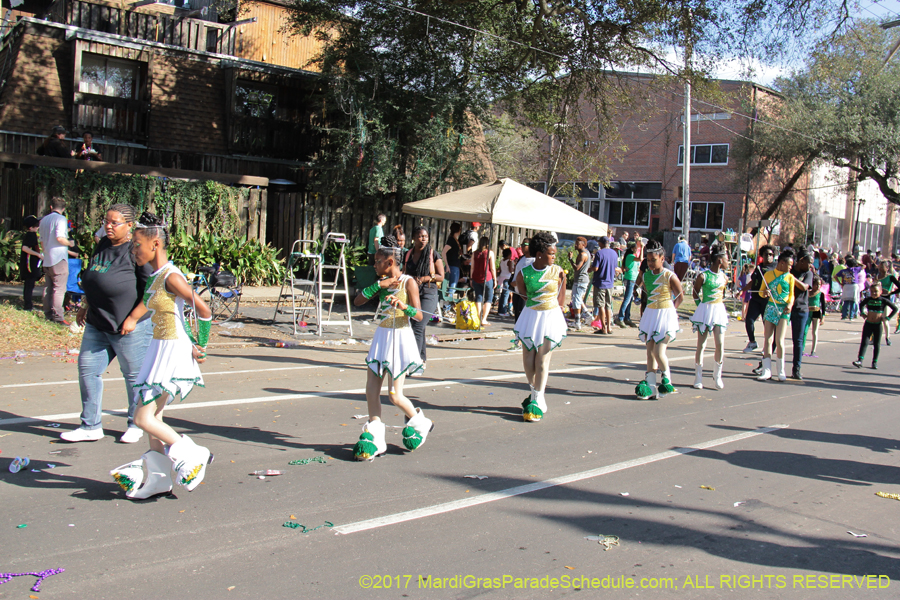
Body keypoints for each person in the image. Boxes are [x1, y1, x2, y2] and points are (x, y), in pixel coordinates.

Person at [109, 212, 213, 500]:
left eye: (137, 245)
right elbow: (168, 311)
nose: (133, 251)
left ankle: (192, 453)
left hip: (171, 350)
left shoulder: (172, 276)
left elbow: (203, 310)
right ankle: (158, 480)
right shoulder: (155, 276)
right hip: (159, 347)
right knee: (154, 416)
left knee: (142, 417)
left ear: (155, 244)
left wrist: (201, 344)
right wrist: (132, 318)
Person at [60, 204, 155, 444]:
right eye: (106, 221)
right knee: (88, 371)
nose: (108, 226)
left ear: (130, 225)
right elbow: (93, 278)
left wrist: (133, 318)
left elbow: (153, 291)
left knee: (133, 377)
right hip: (97, 323)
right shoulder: (102, 244)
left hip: (128, 327)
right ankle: (90, 426)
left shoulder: (137, 250)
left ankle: (136, 423)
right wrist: (85, 305)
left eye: (115, 223)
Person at [352, 236, 432, 460]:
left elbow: (419, 315)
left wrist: (404, 307)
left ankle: (420, 422)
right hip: (382, 336)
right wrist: (379, 285)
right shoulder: (382, 282)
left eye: (377, 261)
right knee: (371, 390)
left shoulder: (408, 282)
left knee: (395, 395)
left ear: (389, 262)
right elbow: (357, 301)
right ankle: (376, 436)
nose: (374, 265)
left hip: (399, 337)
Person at [514, 231, 567, 422]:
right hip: (531, 316)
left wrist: (557, 309)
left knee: (542, 359)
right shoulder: (523, 273)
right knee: (529, 357)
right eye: (551, 254)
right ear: (539, 254)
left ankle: (538, 396)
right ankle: (534, 390)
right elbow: (522, 293)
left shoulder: (558, 271)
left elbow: (561, 295)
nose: (554, 257)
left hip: (550, 316)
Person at [635, 240, 684, 400]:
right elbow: (643, 290)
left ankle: (666, 380)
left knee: (658, 351)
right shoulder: (646, 275)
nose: (650, 263)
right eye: (648, 260)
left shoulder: (669, 276)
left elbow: (680, 296)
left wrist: (672, 310)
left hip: (666, 315)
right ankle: (650, 387)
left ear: (662, 259)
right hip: (651, 314)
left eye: (653, 260)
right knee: (650, 353)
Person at [403, 226, 444, 366]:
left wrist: (425, 278)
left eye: (425, 236)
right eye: (420, 236)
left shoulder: (433, 254)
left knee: (418, 325)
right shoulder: (408, 254)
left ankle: (414, 361)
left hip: (428, 293)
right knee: (417, 326)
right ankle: (421, 358)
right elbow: (404, 273)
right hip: (413, 293)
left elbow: (441, 276)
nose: (423, 239)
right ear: (413, 238)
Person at [690, 244, 729, 390]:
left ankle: (717, 375)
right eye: (727, 259)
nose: (728, 262)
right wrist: (700, 306)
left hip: (718, 311)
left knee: (720, 344)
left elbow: (722, 294)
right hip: (705, 310)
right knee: (701, 345)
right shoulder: (703, 276)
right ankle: (698, 377)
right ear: (720, 260)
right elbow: (695, 293)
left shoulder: (724, 277)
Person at [757, 248, 795, 382]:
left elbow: (791, 295)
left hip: (783, 310)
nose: (790, 268)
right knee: (768, 339)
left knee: (779, 341)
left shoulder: (790, 277)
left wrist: (790, 305)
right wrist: (764, 293)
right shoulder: (768, 275)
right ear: (782, 263)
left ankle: (780, 370)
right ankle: (767, 370)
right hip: (771, 308)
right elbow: (761, 292)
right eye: (789, 265)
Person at [38, 197, 75, 324]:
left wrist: (46, 253)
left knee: (48, 287)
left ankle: (48, 313)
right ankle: (58, 317)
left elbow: (41, 241)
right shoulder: (61, 219)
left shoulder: (43, 220)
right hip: (59, 258)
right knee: (59, 288)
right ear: (64, 208)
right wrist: (70, 243)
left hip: (48, 258)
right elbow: (60, 238)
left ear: (51, 207)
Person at [852, 282, 897, 369]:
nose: (874, 293)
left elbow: (895, 308)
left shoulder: (883, 300)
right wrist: (862, 313)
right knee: (864, 342)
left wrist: (888, 318)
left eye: (876, 291)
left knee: (876, 344)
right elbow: (861, 304)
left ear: (880, 292)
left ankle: (874, 362)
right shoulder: (868, 299)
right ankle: (860, 360)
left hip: (877, 325)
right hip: (868, 324)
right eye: (872, 291)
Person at [741, 245, 775, 352]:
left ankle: (768, 346)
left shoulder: (775, 268)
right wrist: (743, 290)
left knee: (767, 325)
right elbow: (752, 282)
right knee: (749, 320)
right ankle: (752, 342)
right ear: (762, 256)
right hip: (755, 299)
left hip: (767, 301)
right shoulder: (759, 267)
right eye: (766, 254)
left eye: (771, 254)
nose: (768, 256)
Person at [789, 247, 814, 380]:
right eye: (809, 262)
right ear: (801, 260)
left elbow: (804, 287)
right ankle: (764, 365)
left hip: (801, 309)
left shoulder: (808, 274)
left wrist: (791, 278)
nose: (810, 266)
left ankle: (796, 369)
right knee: (776, 338)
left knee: (798, 340)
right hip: (786, 307)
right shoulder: (790, 270)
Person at [589, 236, 617, 335]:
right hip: (610, 283)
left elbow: (596, 268)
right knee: (608, 306)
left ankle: (603, 328)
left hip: (600, 282)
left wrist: (590, 269)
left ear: (601, 243)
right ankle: (609, 327)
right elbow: (615, 268)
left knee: (601, 305)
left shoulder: (599, 253)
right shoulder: (614, 253)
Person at [470, 236, 496, 326]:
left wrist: (471, 278)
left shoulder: (474, 253)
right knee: (488, 298)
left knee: (478, 297)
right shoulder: (490, 253)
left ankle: (479, 318)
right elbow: (492, 268)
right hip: (487, 278)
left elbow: (472, 267)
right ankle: (484, 319)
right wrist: (495, 279)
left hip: (476, 278)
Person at [614, 242, 640, 328]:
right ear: (632, 248)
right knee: (627, 299)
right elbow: (640, 258)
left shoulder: (631, 256)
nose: (637, 250)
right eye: (636, 248)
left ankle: (627, 317)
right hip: (630, 279)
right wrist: (643, 248)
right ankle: (620, 317)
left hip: (633, 278)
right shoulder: (630, 256)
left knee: (630, 298)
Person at [19, 216, 42, 311]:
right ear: (30, 227)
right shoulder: (31, 235)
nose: (37, 227)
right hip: (29, 265)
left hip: (30, 264)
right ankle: (28, 306)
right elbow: (25, 248)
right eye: (35, 225)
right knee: (29, 285)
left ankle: (28, 304)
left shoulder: (31, 235)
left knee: (29, 285)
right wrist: (38, 254)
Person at [569, 237, 591, 330]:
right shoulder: (586, 253)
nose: (575, 245)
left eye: (577, 244)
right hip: (581, 280)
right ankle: (587, 314)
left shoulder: (583, 255)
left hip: (580, 280)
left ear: (583, 245)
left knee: (576, 301)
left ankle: (577, 322)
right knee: (577, 298)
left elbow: (577, 268)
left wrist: (570, 259)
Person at [876, 259, 900, 345]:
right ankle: (874, 338)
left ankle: (887, 337)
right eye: (879, 267)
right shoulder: (877, 276)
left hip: (886, 299)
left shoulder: (890, 277)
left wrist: (891, 292)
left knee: (885, 319)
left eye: (882, 267)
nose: (880, 268)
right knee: (875, 320)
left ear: (887, 268)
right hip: (877, 299)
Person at [803, 276, 824, 359]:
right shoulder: (808, 293)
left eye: (819, 285)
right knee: (804, 331)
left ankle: (813, 350)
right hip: (808, 312)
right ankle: (802, 349)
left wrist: (823, 317)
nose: (818, 286)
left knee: (814, 332)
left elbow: (824, 306)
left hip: (816, 312)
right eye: (816, 284)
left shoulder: (820, 294)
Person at [441, 222, 463, 296]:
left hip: (455, 266)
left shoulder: (456, 240)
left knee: (453, 286)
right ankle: (448, 302)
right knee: (452, 287)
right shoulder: (451, 240)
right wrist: (447, 265)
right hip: (452, 266)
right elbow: (443, 252)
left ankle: (448, 301)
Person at [496, 247, 515, 317]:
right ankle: (503, 311)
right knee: (506, 295)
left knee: (502, 295)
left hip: (501, 278)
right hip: (507, 278)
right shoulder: (509, 261)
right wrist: (514, 268)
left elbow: (499, 269)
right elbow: (510, 270)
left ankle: (500, 310)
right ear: (509, 255)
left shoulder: (502, 261)